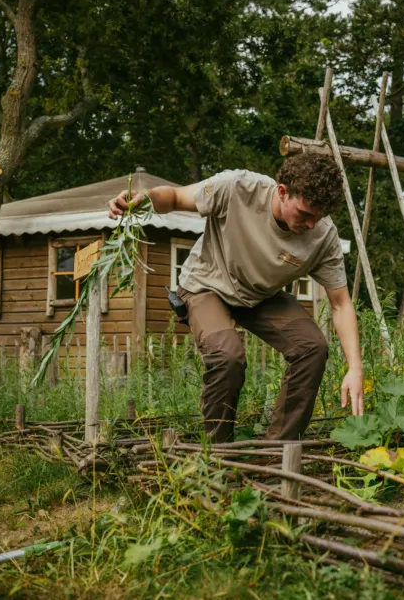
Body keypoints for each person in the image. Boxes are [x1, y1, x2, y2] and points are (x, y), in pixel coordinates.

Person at [107, 153, 364, 442]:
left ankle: (279, 451)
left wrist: (354, 368)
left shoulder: (323, 236)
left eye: (319, 217)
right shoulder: (238, 188)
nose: (311, 225)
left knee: (312, 347)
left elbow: (340, 303)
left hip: (259, 296)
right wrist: (144, 198)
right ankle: (218, 456)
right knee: (227, 355)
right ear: (282, 191)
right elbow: (176, 198)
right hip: (207, 285)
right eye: (305, 214)